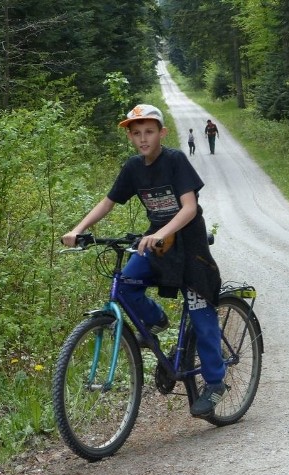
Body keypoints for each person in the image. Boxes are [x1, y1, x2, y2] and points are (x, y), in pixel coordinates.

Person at [61, 104, 227, 418]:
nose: (143, 139)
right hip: (158, 243)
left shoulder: (175, 161)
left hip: (188, 245)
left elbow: (189, 207)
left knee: (200, 310)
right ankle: (155, 320)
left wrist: (162, 232)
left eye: (149, 132)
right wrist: (79, 229)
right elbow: (108, 202)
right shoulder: (133, 168)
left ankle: (215, 383)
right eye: (136, 133)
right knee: (125, 282)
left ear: (161, 133)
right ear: (130, 137)